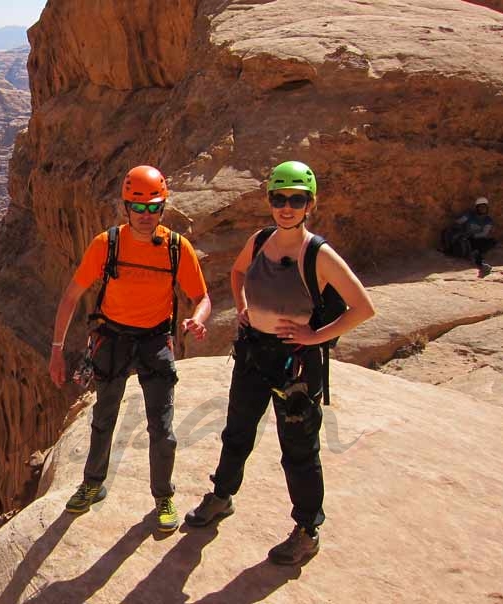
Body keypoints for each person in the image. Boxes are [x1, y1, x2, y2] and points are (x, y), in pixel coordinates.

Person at [184, 161, 374, 565]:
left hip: (297, 365)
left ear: (310, 204)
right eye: (279, 198)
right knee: (237, 430)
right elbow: (237, 273)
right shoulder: (260, 240)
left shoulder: (318, 254)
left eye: (296, 199)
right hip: (254, 352)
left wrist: (314, 337)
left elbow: (363, 307)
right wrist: (243, 307)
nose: (286, 207)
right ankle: (222, 496)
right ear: (269, 200)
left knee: (299, 450)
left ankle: (307, 530)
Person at [48, 165, 211, 531]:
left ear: (163, 208)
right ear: (125, 207)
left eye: (153, 208)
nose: (145, 216)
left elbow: (202, 297)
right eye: (138, 208)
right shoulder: (106, 245)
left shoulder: (175, 247)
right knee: (103, 418)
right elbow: (70, 297)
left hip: (155, 340)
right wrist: (56, 350)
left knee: (162, 427)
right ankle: (92, 485)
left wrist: (198, 317)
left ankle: (163, 496)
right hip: (113, 339)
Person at [453, 196, 495, 277]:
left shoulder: (488, 220)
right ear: (477, 208)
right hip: (467, 238)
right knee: (474, 246)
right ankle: (481, 263)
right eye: (480, 207)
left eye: (484, 207)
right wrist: (461, 230)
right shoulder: (469, 215)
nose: (483, 209)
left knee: (491, 242)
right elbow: (457, 222)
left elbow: (484, 233)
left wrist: (473, 235)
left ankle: (475, 255)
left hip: (477, 238)